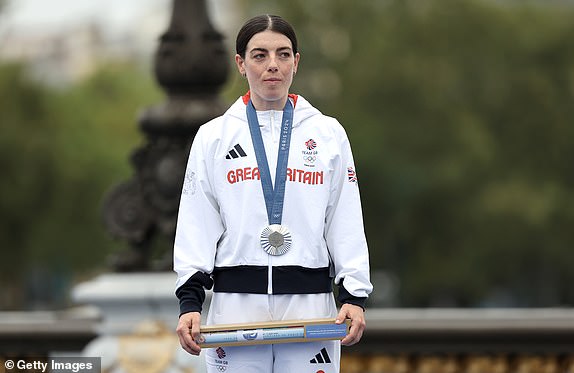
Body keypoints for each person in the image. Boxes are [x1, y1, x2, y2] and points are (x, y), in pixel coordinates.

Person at [174, 14, 372, 373]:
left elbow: (344, 216)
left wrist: (354, 295)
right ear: (241, 63)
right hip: (234, 306)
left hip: (310, 305)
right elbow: (196, 222)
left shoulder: (327, 133)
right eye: (259, 55)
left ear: (296, 62)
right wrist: (190, 303)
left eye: (283, 55)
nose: (272, 66)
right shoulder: (214, 137)